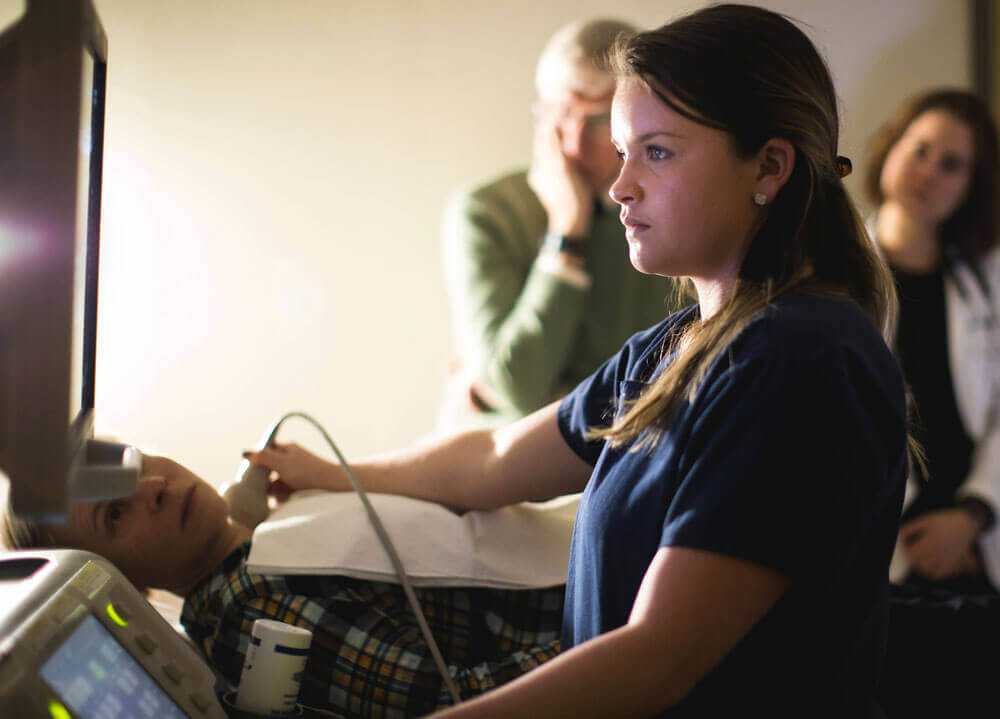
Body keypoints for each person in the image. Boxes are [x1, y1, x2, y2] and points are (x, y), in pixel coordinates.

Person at [247, 5, 908, 716]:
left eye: (656, 151)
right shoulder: (677, 344)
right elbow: (498, 456)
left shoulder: (798, 358)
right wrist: (335, 475)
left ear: (769, 167)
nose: (622, 186)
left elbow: (660, 656)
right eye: (623, 152)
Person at [0, 456, 564, 718]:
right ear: (122, 585)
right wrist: (605, 632)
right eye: (115, 516)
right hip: (585, 622)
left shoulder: (270, 540)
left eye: (129, 465)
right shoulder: (252, 614)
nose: (154, 485)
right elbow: (454, 699)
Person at [439, 18, 685, 432]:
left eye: (597, 120)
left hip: (614, 453)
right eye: (560, 112)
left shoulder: (669, 215)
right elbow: (516, 385)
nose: (573, 142)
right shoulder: (486, 211)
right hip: (489, 454)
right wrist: (567, 230)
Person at [864, 89, 1000, 717]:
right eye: (920, 149)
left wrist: (974, 513)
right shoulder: (830, 279)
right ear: (889, 150)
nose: (929, 171)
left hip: (976, 546)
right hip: (885, 553)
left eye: (953, 164)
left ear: (971, 186)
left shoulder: (986, 284)